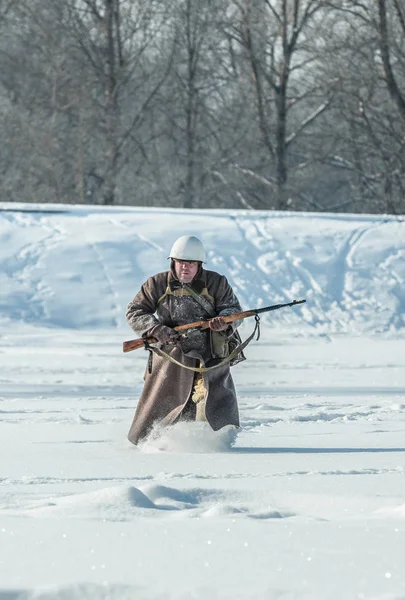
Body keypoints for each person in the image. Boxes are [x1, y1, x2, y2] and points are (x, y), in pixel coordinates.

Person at [126, 235, 245, 445]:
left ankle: (214, 444)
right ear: (173, 261)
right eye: (181, 262)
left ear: (199, 264)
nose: (185, 268)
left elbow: (233, 310)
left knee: (212, 403)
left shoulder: (217, 282)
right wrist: (156, 329)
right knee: (164, 405)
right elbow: (135, 311)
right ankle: (155, 443)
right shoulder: (157, 283)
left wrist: (224, 322)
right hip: (171, 356)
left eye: (190, 263)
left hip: (210, 355)